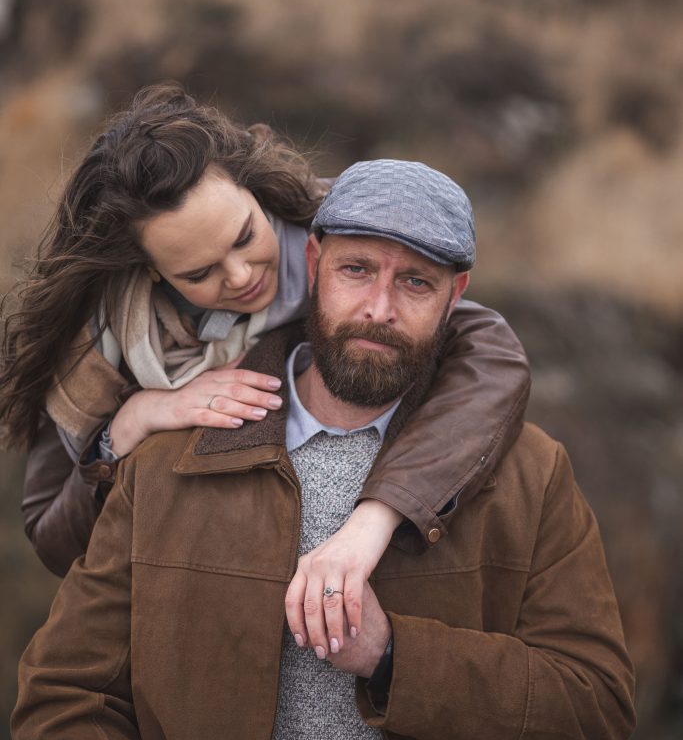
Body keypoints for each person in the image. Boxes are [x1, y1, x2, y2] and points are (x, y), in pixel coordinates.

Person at [12, 159, 635, 740]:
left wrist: (392, 655)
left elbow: (593, 707)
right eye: (356, 269)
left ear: (456, 297)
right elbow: (64, 699)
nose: (378, 309)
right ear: (311, 262)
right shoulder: (169, 461)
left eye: (415, 283)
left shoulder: (530, 473)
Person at [0, 83, 530, 650]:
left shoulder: (345, 239)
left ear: (255, 191)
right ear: (149, 272)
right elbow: (54, 541)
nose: (240, 277)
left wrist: (377, 517)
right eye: (199, 274)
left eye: (245, 237)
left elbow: (492, 354)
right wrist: (128, 423)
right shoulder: (94, 342)